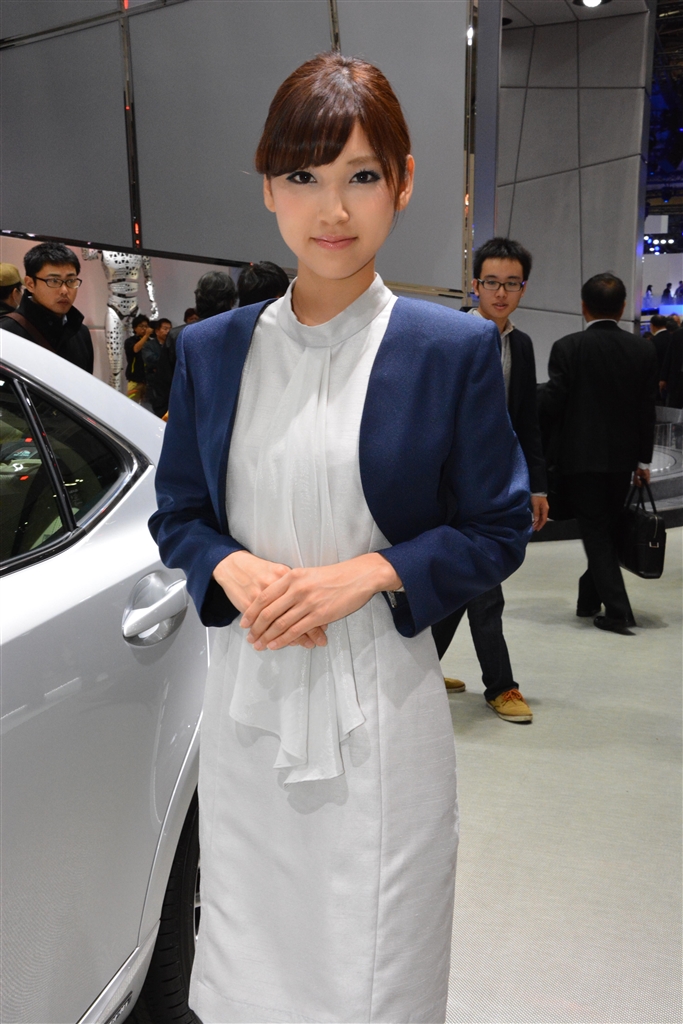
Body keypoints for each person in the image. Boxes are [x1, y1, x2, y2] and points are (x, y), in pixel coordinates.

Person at [149, 53, 530, 1024]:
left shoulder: (449, 350)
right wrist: (229, 564)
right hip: (249, 703)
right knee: (248, 957)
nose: (331, 208)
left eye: (361, 175)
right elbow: (178, 512)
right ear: (268, 187)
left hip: (380, 712)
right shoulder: (210, 351)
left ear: (402, 182)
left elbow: (494, 528)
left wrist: (368, 571)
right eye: (303, 176)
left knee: (374, 966)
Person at [431, 237, 548, 723]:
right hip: (447, 487)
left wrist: (536, 486)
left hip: (496, 487)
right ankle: (501, 686)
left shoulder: (521, 344)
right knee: (483, 583)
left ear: (523, 288)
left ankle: (420, 670)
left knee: (463, 585)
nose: (501, 293)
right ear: (475, 285)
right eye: (492, 283)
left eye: (512, 284)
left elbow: (526, 422)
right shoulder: (449, 334)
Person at [540, 273, 658, 636]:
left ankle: (618, 611)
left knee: (596, 532)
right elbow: (646, 410)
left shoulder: (568, 347)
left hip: (579, 459)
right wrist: (643, 461)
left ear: (583, 306)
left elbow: (553, 403)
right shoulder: (643, 350)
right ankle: (588, 598)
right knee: (605, 527)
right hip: (622, 461)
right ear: (622, 308)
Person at [153, 272, 237, 418]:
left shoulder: (178, 335)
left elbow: (163, 384)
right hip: (228, 418)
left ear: (198, 299)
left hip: (185, 417)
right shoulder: (239, 334)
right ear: (231, 301)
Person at [0, 242, 93, 372]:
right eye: (54, 281)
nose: (64, 290)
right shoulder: (6, 333)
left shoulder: (81, 333)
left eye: (71, 281)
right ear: (30, 284)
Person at [141, 317, 171, 416]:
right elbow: (149, 359)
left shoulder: (172, 344)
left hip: (169, 385)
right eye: (165, 328)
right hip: (154, 385)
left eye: (170, 329)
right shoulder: (149, 345)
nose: (168, 331)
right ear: (157, 331)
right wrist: (165, 363)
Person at [124, 314, 152, 403]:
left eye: (146, 326)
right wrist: (146, 336)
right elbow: (136, 349)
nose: (144, 329)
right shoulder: (130, 341)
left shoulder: (150, 342)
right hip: (134, 380)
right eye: (141, 326)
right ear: (135, 328)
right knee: (131, 404)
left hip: (148, 380)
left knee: (147, 407)